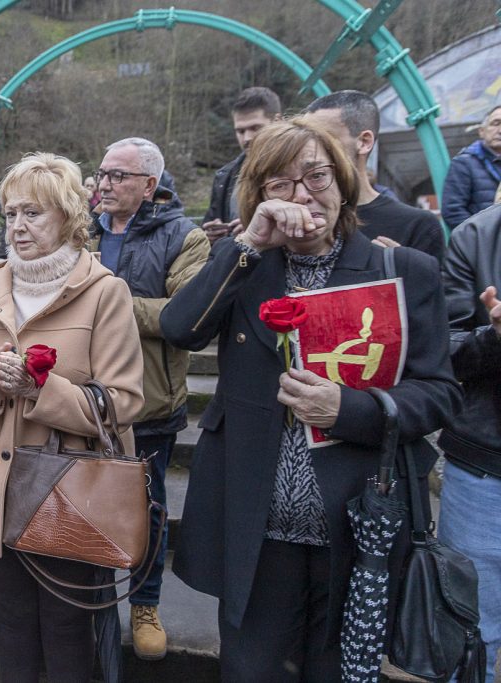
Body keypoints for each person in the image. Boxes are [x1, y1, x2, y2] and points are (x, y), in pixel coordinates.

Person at [160, 119, 461, 681]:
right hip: (259, 530)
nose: (301, 194)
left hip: (356, 528)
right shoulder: (247, 267)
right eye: (280, 183)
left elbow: (439, 394)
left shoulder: (403, 272)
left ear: (343, 180)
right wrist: (247, 244)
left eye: (316, 176)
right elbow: (181, 329)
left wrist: (348, 410)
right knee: (251, 670)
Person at [0, 152, 144, 682]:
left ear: (69, 216)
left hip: (66, 495)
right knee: (13, 626)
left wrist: (39, 390)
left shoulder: (104, 292)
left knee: (69, 634)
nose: (18, 227)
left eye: (34, 213)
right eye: (11, 213)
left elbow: (123, 402)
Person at [91, 137, 210, 660]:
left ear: (149, 185)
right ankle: (92, 604)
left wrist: (110, 302)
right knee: (83, 504)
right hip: (81, 397)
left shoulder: (185, 237)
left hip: (149, 403)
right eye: (102, 173)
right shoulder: (81, 230)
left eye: (119, 175)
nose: (105, 183)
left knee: (149, 508)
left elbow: (185, 318)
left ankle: (146, 603)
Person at [439, 202, 501, 682]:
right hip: (485, 473)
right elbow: (442, 350)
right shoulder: (475, 236)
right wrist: (494, 336)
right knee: (470, 636)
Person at [303, 90, 444, 260]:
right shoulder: (293, 216)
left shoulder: (416, 225)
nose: (309, 150)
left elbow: (432, 285)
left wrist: (407, 268)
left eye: (325, 140)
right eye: (305, 140)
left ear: (364, 142)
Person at [201, 86, 282, 245]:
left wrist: (262, 229)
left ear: (278, 121)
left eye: (255, 128)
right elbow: (211, 225)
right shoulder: (225, 176)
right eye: (240, 131)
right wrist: (210, 236)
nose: (247, 138)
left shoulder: (302, 169)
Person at [442, 105, 501, 231]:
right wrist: (483, 236)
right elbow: (453, 211)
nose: (500, 130)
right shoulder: (464, 163)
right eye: (496, 123)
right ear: (481, 131)